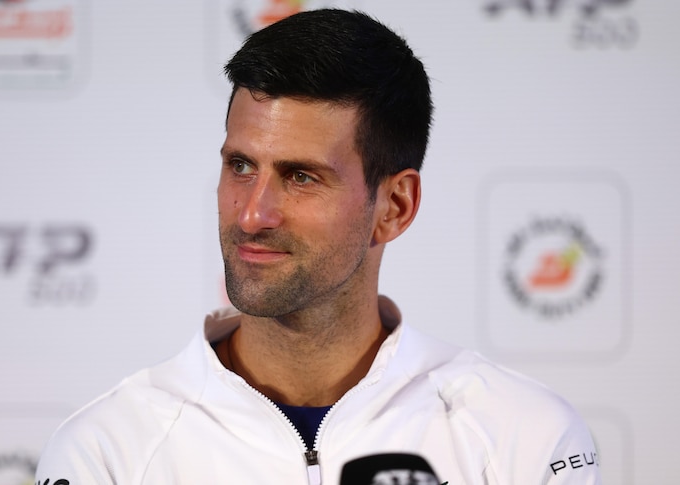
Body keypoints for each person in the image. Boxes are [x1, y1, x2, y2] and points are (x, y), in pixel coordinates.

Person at [35, 9, 602, 485]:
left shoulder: (524, 437)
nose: (253, 214)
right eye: (240, 166)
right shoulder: (108, 451)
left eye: (302, 177)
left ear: (395, 206)